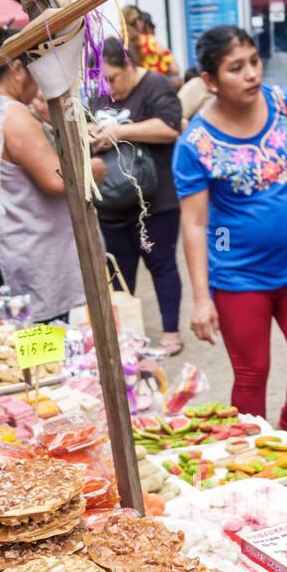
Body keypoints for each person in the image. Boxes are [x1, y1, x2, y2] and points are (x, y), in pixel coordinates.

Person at [174, 25, 287, 437]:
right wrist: (200, 298)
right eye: (236, 68)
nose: (252, 74)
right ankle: (253, 457)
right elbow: (194, 224)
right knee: (251, 375)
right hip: (239, 277)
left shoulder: (283, 104)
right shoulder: (195, 144)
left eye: (254, 61)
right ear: (210, 81)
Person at [0, 25, 87, 322]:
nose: (40, 88)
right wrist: (95, 170)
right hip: (26, 248)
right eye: (39, 73)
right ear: (17, 69)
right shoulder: (12, 114)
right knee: (44, 338)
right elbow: (56, 179)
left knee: (20, 337)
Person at [90, 37, 184, 354]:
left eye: (114, 79)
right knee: (119, 271)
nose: (111, 90)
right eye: (104, 83)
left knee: (162, 264)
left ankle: (171, 332)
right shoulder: (98, 94)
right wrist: (91, 135)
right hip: (112, 203)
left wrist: (119, 131)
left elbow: (171, 127)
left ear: (128, 65)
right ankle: (127, 338)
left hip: (155, 201)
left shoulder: (154, 84)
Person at [123, 6, 180, 85]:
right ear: (138, 22)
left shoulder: (119, 45)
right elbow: (175, 69)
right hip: (154, 89)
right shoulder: (151, 42)